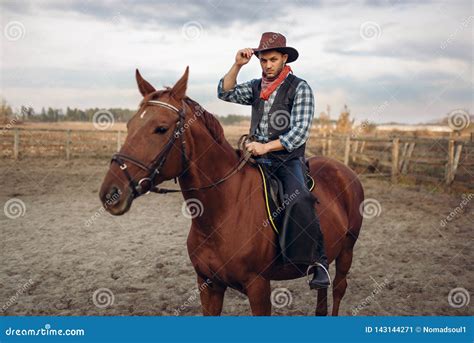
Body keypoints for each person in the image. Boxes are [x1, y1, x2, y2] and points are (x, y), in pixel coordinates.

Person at [217, 32, 330, 289]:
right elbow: (225, 93)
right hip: (255, 157)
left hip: (286, 160)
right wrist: (237, 65)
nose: (267, 65)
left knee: (299, 197)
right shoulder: (256, 86)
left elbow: (299, 132)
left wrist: (265, 146)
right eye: (263, 60)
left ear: (284, 58)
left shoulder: (300, 88)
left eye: (272, 59)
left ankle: (318, 261)